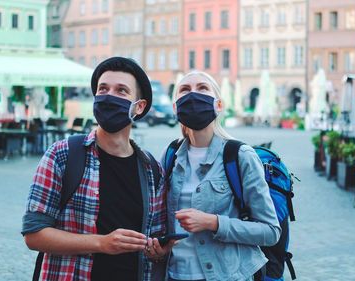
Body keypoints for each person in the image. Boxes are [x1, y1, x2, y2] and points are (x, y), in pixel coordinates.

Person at [22, 57, 175, 281]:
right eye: (103, 89)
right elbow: (34, 234)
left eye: (121, 90)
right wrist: (102, 243)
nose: (109, 96)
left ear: (139, 107)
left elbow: (156, 241)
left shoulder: (152, 170)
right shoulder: (62, 155)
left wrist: (159, 251)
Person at [161, 70, 281, 281]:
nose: (193, 95)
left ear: (218, 105)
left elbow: (270, 231)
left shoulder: (240, 156)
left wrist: (213, 222)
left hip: (225, 275)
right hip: (174, 275)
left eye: (203, 88)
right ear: (175, 107)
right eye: (185, 90)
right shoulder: (170, 155)